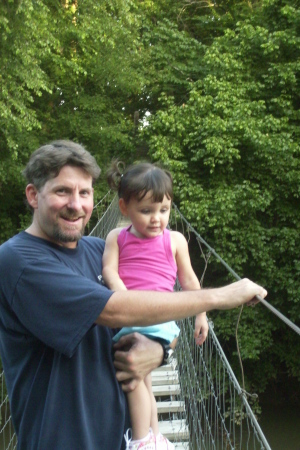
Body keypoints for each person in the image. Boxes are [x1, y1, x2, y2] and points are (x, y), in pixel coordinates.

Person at [0, 140, 267, 450]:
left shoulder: (99, 250)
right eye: (62, 191)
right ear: (33, 195)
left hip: (121, 438)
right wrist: (223, 296)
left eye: (85, 193)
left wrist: (161, 351)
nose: (77, 204)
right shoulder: (19, 261)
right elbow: (117, 310)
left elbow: (153, 313)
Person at [102, 160, 209, 450]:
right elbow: (110, 270)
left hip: (159, 319)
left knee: (133, 379)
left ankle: (139, 441)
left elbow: (189, 281)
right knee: (144, 378)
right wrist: (122, 295)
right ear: (124, 209)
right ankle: (154, 436)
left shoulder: (174, 240)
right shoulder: (116, 237)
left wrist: (201, 314)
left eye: (164, 210)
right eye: (146, 211)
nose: (156, 219)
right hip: (128, 315)